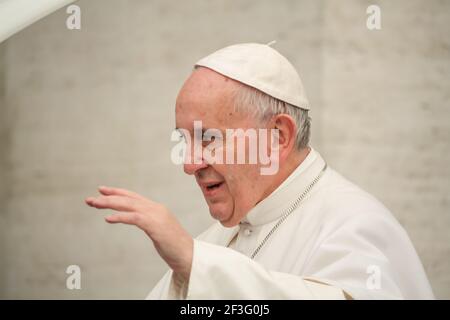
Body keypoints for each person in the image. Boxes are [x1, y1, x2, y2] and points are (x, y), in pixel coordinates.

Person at [85, 43, 434, 299]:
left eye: (208, 139)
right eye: (184, 141)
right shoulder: (220, 238)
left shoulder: (357, 225)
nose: (189, 164)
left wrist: (197, 263)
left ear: (277, 137)